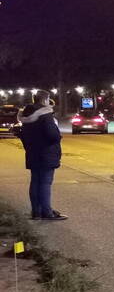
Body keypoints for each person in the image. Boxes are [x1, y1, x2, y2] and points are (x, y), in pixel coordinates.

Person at [18, 91, 67, 220]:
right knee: (45, 183)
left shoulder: (26, 115)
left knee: (35, 182)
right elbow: (52, 135)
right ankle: (47, 212)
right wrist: (58, 137)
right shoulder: (45, 114)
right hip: (47, 153)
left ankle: (36, 212)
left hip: (33, 152)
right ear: (46, 100)